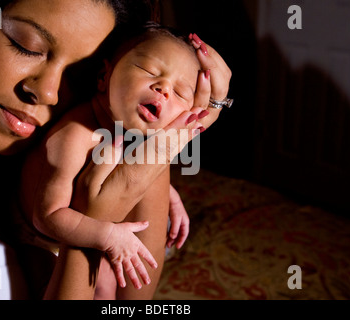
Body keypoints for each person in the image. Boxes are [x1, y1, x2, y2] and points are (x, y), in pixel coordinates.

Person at [0, 0, 232, 300]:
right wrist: (99, 215)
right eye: (27, 46)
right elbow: (53, 218)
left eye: (77, 73)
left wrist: (178, 136)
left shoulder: (8, 150)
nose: (48, 92)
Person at [20, 22, 209, 299]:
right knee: (99, 285)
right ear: (104, 77)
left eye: (180, 92)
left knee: (117, 276)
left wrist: (171, 198)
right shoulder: (74, 137)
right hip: (43, 241)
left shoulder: (129, 131)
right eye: (149, 71)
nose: (163, 89)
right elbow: (46, 217)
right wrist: (108, 238)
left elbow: (128, 170)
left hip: (92, 229)